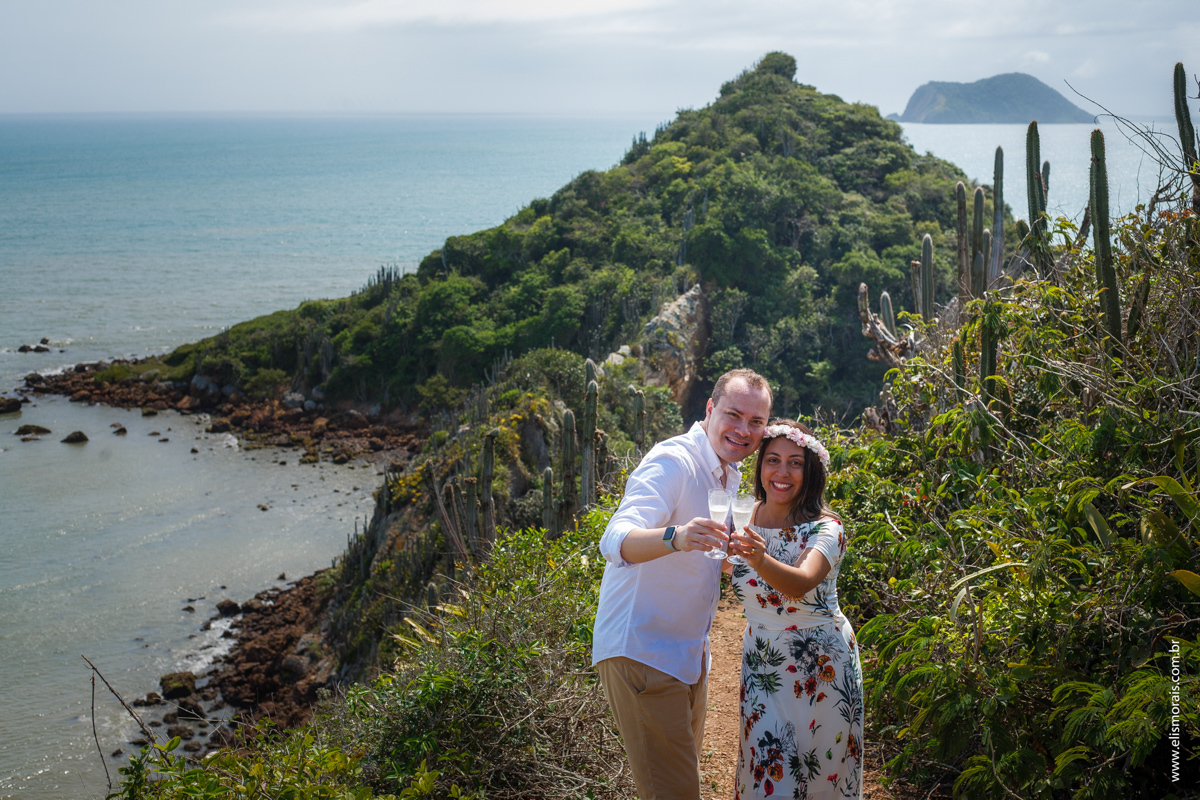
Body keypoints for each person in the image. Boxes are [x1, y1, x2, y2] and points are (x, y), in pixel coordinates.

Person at [592, 368, 773, 800]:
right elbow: (615, 540)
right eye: (734, 415)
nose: (743, 430)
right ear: (710, 409)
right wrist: (677, 536)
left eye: (756, 422)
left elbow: (708, 562)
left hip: (687, 656)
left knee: (677, 786)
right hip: (643, 651)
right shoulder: (674, 460)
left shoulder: (727, 475)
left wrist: (740, 560)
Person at [727, 420, 862, 799]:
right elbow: (724, 568)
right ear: (760, 467)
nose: (782, 473)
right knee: (768, 770)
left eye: (795, 463)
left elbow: (801, 584)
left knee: (821, 773)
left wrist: (759, 558)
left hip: (820, 666)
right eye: (772, 460)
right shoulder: (743, 515)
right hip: (763, 662)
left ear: (811, 471)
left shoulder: (827, 528)